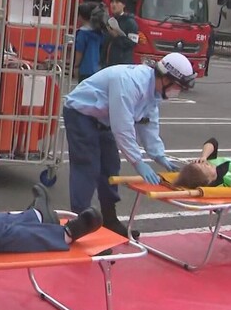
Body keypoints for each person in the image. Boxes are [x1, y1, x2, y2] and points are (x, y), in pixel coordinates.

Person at [63, 52, 195, 237]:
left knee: (110, 167)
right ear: (165, 78)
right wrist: (138, 162)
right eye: (177, 86)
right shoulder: (131, 83)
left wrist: (158, 155)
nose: (177, 91)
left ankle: (110, 219)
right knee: (87, 167)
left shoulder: (153, 92)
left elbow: (148, 124)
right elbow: (123, 127)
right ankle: (79, 224)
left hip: (104, 119)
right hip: (81, 113)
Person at [99, 0, 138, 68]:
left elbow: (132, 43)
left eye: (117, 2)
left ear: (124, 5)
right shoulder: (110, 20)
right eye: (112, 2)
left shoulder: (130, 22)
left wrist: (117, 37)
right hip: (107, 64)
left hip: (122, 64)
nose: (113, 5)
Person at [72, 3, 104, 82]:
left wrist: (76, 66)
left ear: (80, 16)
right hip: (98, 68)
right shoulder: (99, 32)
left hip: (85, 69)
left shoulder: (82, 33)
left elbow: (79, 51)